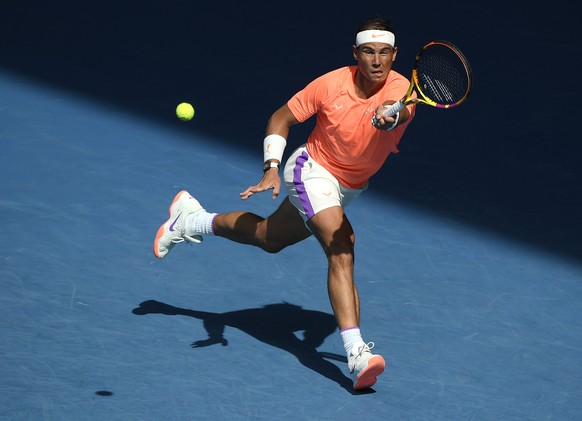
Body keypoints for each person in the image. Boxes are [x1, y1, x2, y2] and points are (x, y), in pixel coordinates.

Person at [153, 16, 416, 391]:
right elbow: (281, 118)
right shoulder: (330, 84)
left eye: (384, 53)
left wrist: (391, 115)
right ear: (355, 53)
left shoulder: (403, 89)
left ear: (394, 55)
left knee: (269, 237)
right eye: (369, 52)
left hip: (350, 186)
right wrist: (272, 167)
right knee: (342, 245)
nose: (377, 61)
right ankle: (357, 354)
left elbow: (399, 111)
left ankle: (191, 219)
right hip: (311, 170)